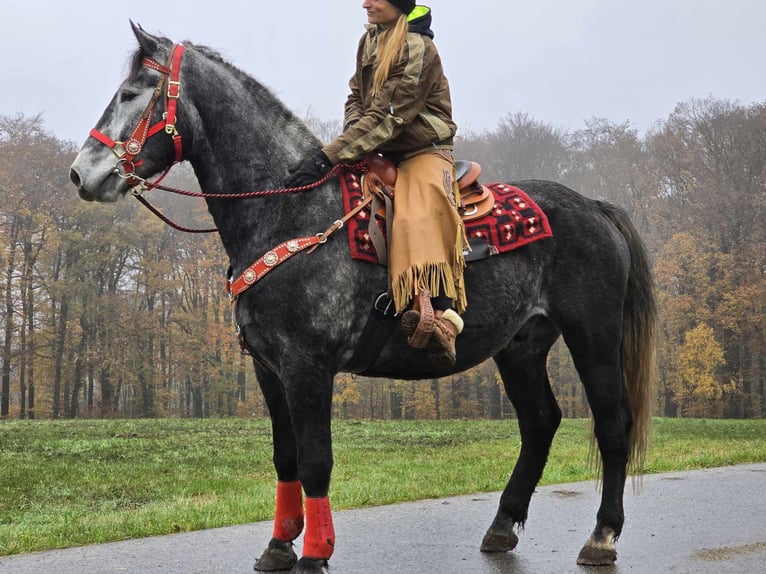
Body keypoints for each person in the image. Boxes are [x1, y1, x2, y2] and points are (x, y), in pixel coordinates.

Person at [286, 0, 467, 367]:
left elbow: (390, 116)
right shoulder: (369, 40)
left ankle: (446, 316)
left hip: (423, 148)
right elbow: (357, 96)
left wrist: (329, 155)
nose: (366, 3)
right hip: (377, 145)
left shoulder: (419, 48)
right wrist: (352, 140)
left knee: (418, 212)